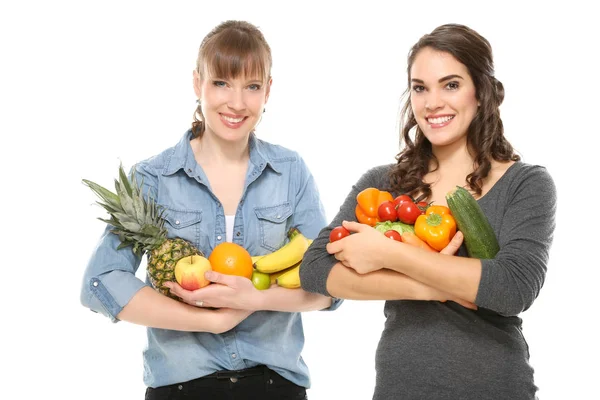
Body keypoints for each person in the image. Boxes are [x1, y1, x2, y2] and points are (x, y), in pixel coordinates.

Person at [81, 20, 339, 400]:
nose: (236, 103)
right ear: (197, 82)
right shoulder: (153, 176)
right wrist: (209, 320)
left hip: (276, 386)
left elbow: (328, 285)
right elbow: (101, 281)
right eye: (221, 83)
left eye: (251, 86)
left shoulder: (289, 171)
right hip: (181, 388)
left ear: (268, 90)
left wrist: (256, 299)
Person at [300, 23, 556, 400]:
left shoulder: (526, 183)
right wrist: (434, 289)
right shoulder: (384, 183)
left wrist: (391, 254)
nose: (432, 102)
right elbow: (316, 269)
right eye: (420, 88)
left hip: (496, 387)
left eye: (450, 85)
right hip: (399, 388)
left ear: (482, 93)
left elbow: (511, 289)